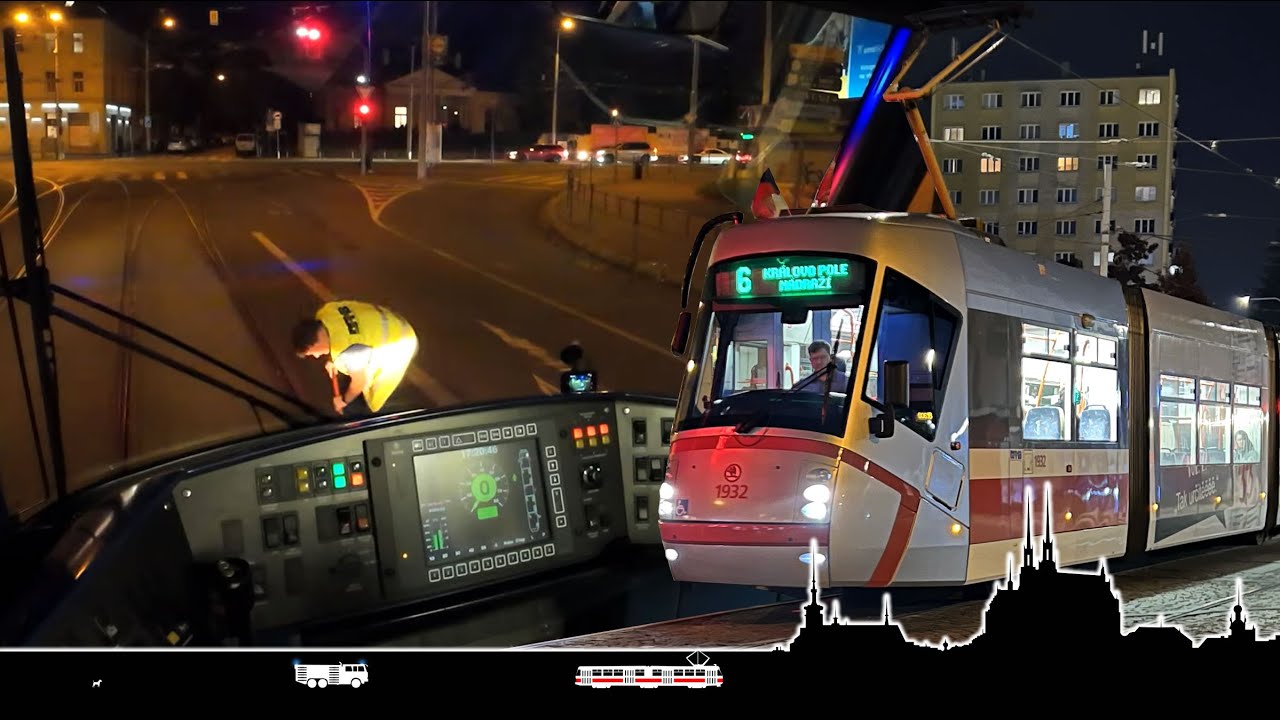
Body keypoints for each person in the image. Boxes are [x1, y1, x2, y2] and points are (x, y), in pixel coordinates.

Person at [292, 301, 419, 416]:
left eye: (312, 353)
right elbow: (342, 333)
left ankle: (384, 417)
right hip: (391, 321)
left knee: (371, 394)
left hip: (399, 341)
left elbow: (360, 381)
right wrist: (333, 361)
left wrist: (343, 401)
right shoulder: (327, 311)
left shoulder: (349, 352)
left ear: (314, 344)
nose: (317, 356)